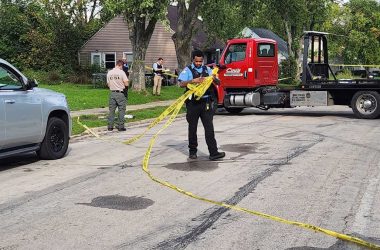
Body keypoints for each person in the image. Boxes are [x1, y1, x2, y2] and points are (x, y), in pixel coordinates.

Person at [178, 50, 225, 161]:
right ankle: (193, 152)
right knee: (192, 128)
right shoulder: (188, 70)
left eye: (200, 61)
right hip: (193, 104)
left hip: (206, 103)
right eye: (196, 61)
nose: (199, 63)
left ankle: (213, 153)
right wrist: (193, 80)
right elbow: (181, 84)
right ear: (193, 60)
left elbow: (218, 83)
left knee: (209, 128)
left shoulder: (207, 69)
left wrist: (214, 78)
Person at [107, 59, 129, 131]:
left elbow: (108, 84)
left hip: (112, 93)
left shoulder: (109, 72)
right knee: (121, 110)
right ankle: (120, 126)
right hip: (120, 93)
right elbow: (126, 83)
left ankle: (110, 126)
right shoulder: (121, 72)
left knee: (111, 110)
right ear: (121, 65)